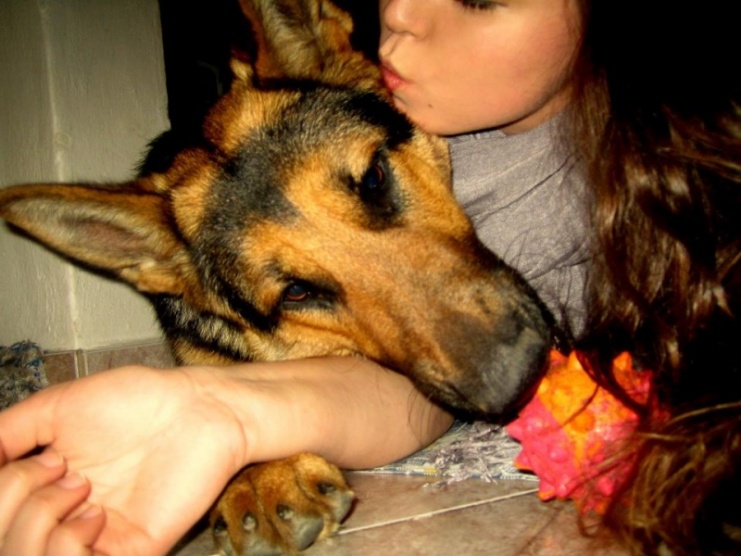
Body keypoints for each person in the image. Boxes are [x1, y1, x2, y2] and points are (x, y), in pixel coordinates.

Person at [3, 0, 738, 554]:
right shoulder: (213, 246)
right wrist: (229, 418)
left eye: (374, 183)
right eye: (300, 289)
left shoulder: (676, 145)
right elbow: (395, 394)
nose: (399, 16)